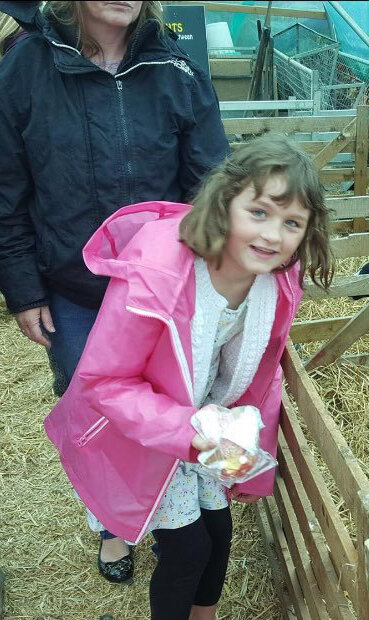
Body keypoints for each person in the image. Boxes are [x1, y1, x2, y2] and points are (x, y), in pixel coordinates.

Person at [44, 136, 333, 620]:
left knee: (219, 533)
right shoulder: (160, 272)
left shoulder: (275, 283)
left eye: (292, 223)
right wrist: (189, 434)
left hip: (203, 427)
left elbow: (261, 380)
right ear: (225, 203)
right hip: (139, 428)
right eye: (259, 212)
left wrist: (253, 466)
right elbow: (106, 380)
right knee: (187, 547)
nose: (272, 235)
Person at [0, 0, 230, 580]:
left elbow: (211, 184)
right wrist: (23, 290)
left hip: (162, 292)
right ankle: (114, 527)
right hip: (73, 290)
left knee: (165, 405)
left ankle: (167, 515)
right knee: (97, 414)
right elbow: (7, 189)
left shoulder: (176, 70)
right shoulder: (25, 69)